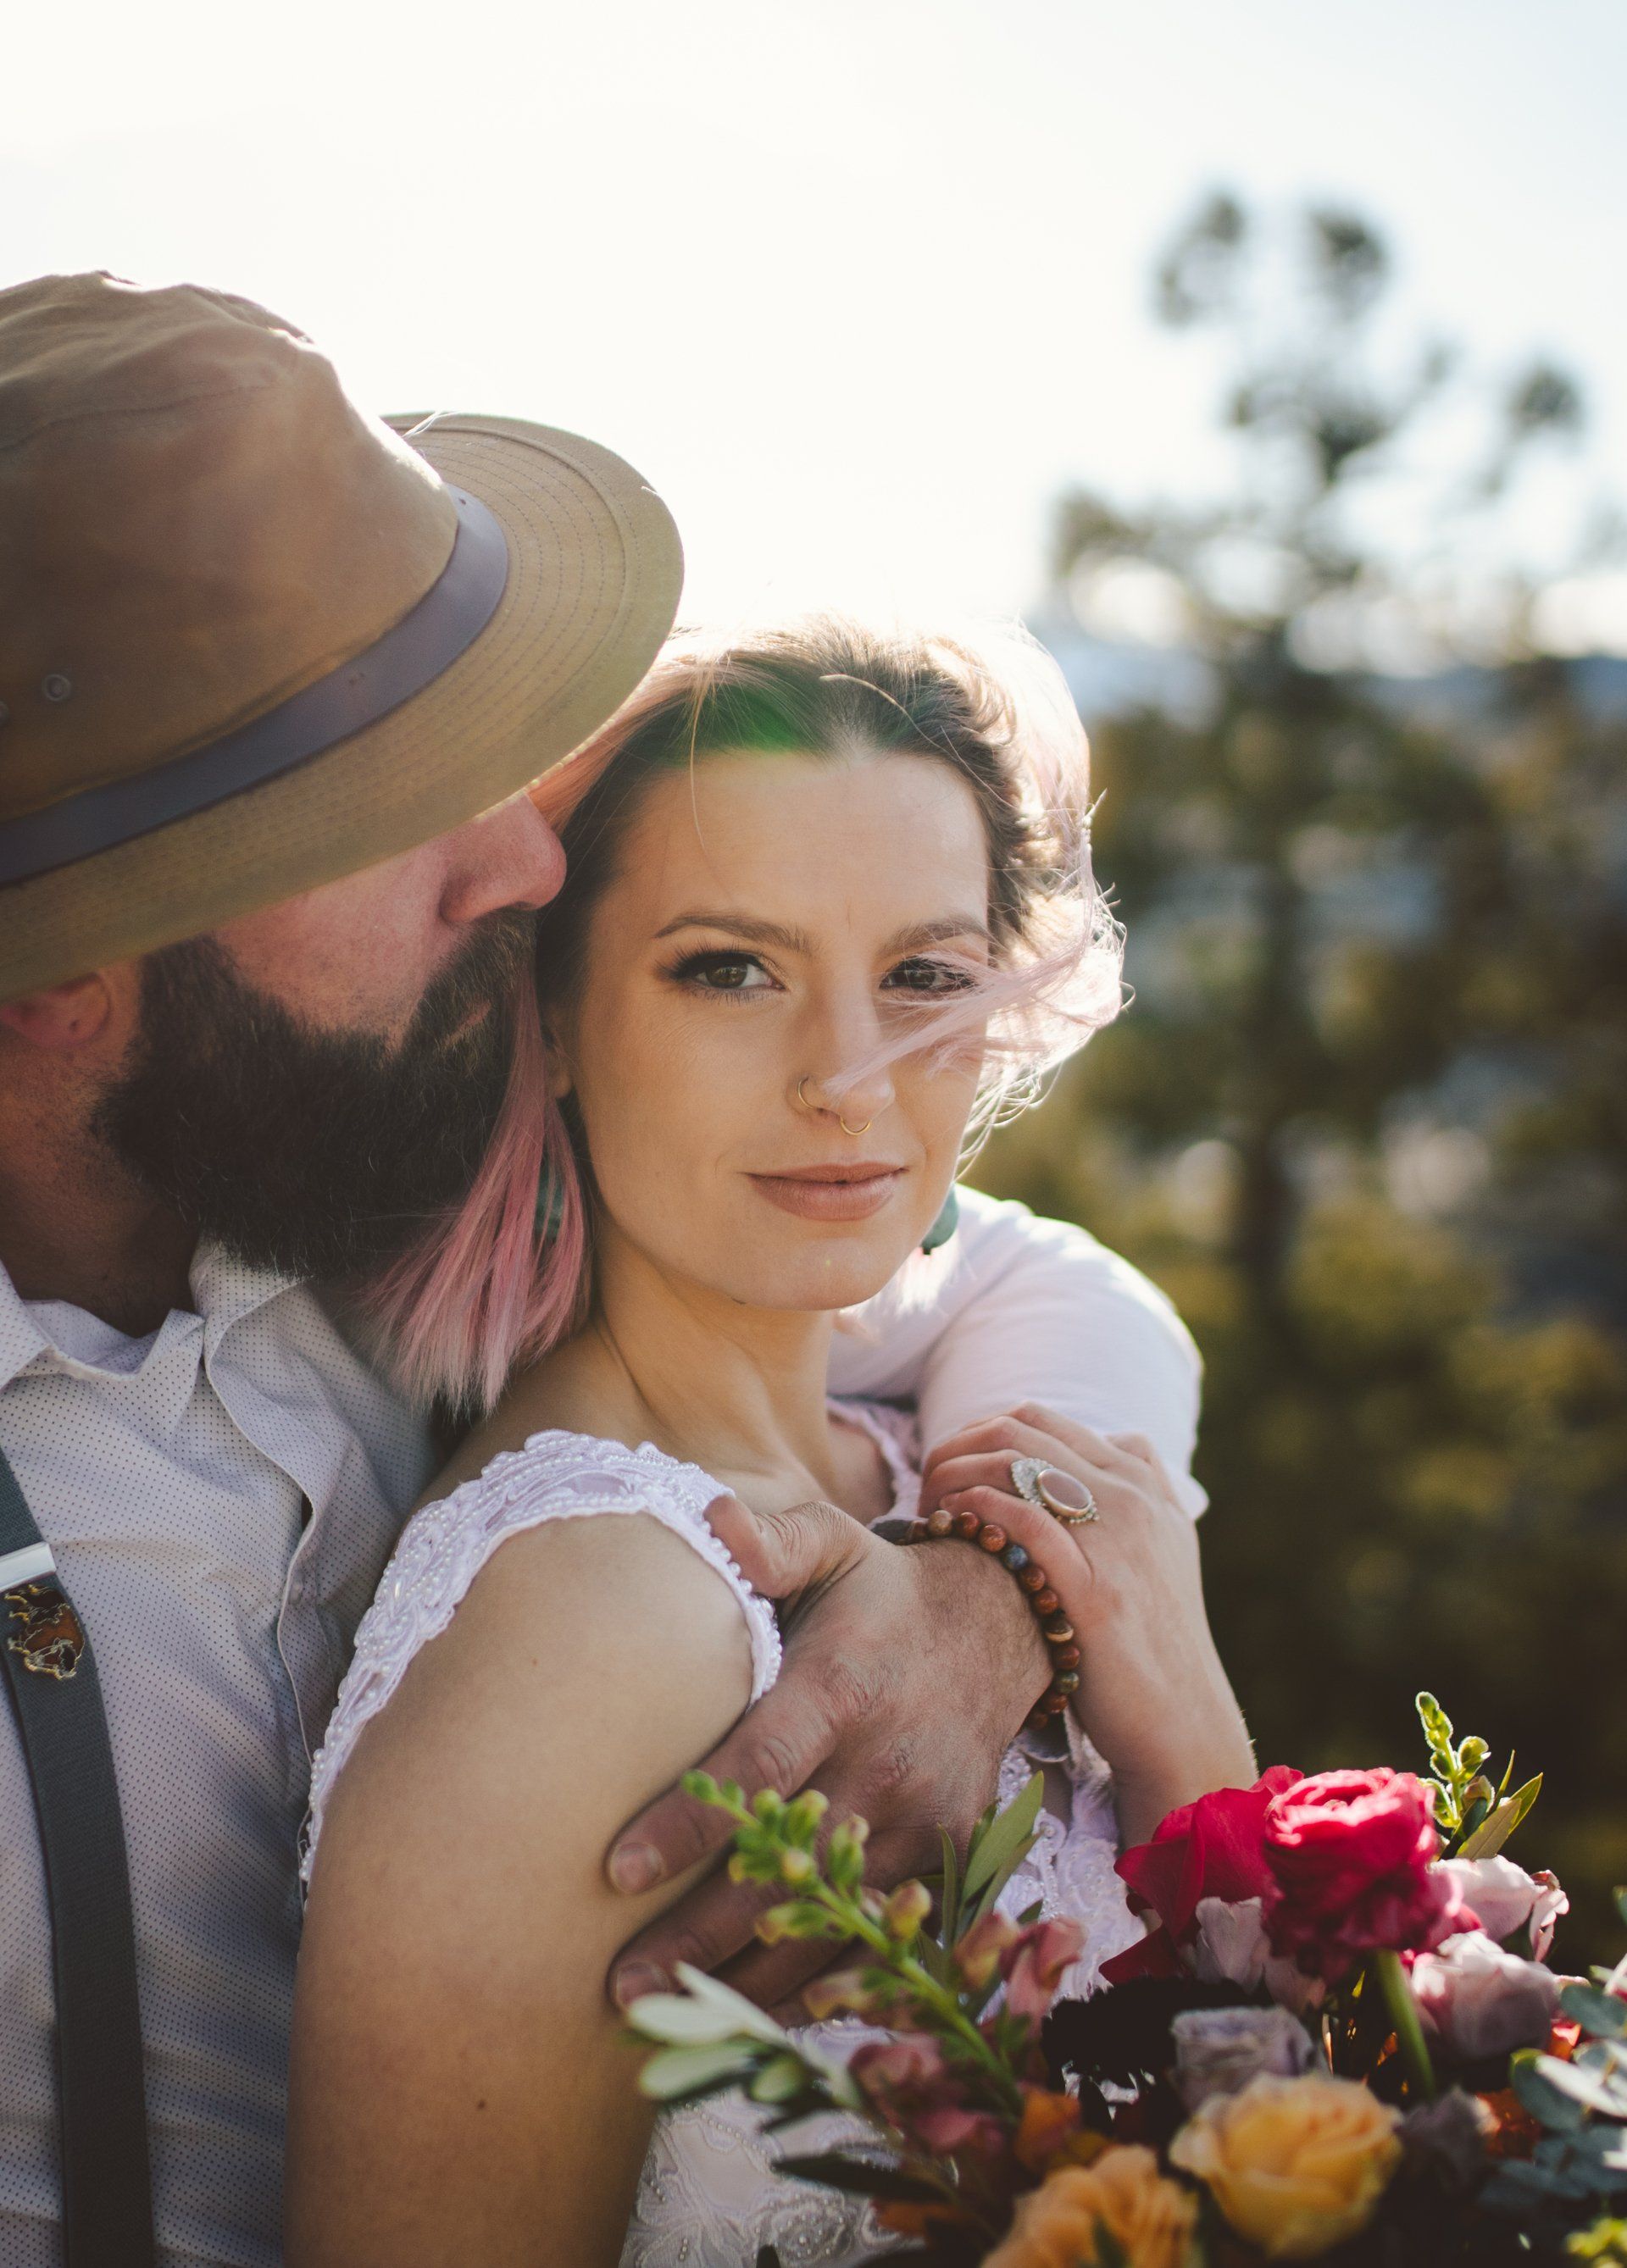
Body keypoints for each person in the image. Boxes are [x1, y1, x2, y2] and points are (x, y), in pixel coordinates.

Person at [0, 276, 1206, 2268]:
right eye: (379, 809)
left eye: (923, 975)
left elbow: (1041, 1280)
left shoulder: (342, 1210)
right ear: (60, 973)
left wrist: (1004, 1589)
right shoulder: (552, 1524)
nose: (518, 863)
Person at [284, 621, 1256, 2267]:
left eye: (926, 976)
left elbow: (1276, 2106)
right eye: (730, 966)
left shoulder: (965, 1477)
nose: (848, 1078)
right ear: (560, 1013)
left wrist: (1186, 1754)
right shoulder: (589, 1623)